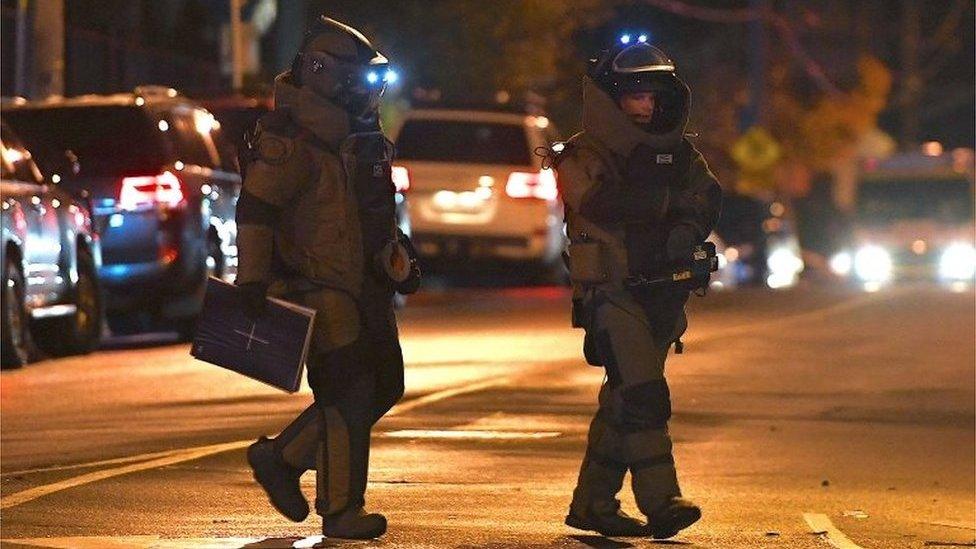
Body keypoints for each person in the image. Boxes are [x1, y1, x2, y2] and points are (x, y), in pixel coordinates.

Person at [234, 16, 420, 540]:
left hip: (364, 286)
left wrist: (398, 259)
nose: (369, 92)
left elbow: (374, 213)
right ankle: (341, 509)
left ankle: (282, 459)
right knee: (349, 391)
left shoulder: (360, 136)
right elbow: (256, 209)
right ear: (322, 74)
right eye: (358, 81)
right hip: (315, 285)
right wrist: (252, 279)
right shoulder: (290, 138)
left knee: (385, 383)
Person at [553, 39, 722, 539]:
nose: (645, 105)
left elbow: (706, 196)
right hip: (613, 294)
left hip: (664, 294)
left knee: (623, 399)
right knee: (644, 395)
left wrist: (685, 230)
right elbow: (601, 202)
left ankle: (592, 505)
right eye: (634, 96)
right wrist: (667, 202)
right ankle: (662, 501)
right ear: (611, 98)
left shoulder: (680, 152)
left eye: (652, 95)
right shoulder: (583, 153)